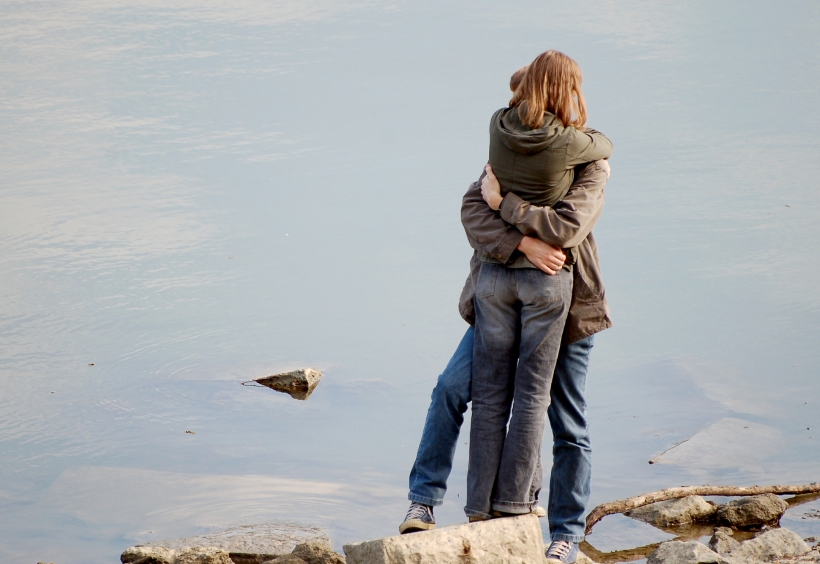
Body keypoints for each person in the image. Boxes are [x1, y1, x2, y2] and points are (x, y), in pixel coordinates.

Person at [400, 53, 613, 564]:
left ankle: (565, 532)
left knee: (569, 420)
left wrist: (509, 209)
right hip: (500, 295)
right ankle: (423, 501)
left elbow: (566, 229)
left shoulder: (590, 163)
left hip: (570, 306)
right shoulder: (508, 149)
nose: (517, 108)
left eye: (522, 99)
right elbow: (473, 209)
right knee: (451, 389)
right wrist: (523, 245)